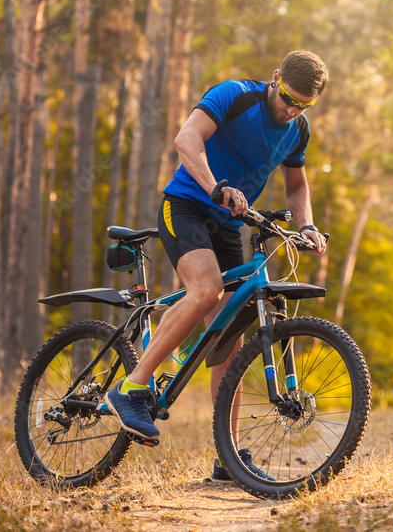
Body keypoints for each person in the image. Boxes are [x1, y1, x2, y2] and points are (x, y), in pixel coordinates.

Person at [106, 49, 330, 481]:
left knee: (227, 333)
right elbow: (186, 139)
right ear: (275, 77)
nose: (292, 109)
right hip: (188, 205)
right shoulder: (234, 95)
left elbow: (296, 183)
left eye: (304, 104)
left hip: (230, 220)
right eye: (288, 98)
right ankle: (131, 388)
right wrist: (215, 187)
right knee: (205, 289)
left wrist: (307, 226)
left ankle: (227, 456)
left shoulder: (297, 128)